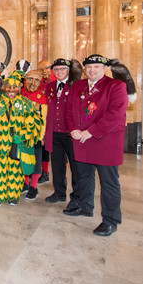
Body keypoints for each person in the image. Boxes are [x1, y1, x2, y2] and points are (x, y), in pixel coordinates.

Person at [65, 55, 128, 236]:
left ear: (105, 68)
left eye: (97, 67)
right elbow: (69, 111)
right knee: (83, 177)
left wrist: (90, 131)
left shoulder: (116, 86)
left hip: (104, 141)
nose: (92, 70)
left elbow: (115, 114)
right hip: (81, 140)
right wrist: (73, 130)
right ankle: (85, 206)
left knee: (108, 183)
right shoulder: (77, 86)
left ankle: (110, 220)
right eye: (89, 67)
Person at [0, 71, 43, 205]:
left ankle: (13, 195)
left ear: (20, 88)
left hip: (16, 146)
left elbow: (34, 123)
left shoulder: (26, 103)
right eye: (8, 87)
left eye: (15, 87)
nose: (11, 90)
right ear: (4, 87)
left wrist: (23, 136)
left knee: (15, 170)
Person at [44, 58, 79, 208]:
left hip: (70, 133)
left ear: (68, 71)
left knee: (75, 166)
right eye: (57, 70)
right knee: (57, 164)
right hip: (54, 131)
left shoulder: (75, 86)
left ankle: (77, 196)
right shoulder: (50, 86)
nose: (59, 72)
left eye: (63, 69)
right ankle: (59, 192)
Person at [20, 70, 48, 200]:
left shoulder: (42, 99)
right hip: (21, 137)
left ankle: (34, 187)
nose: (32, 83)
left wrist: (41, 137)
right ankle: (25, 184)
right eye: (30, 79)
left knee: (36, 163)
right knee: (24, 161)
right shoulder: (19, 96)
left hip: (35, 137)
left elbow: (44, 119)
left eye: (36, 80)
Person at [37, 59, 54, 183]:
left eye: (47, 68)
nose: (44, 71)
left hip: (55, 121)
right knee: (44, 149)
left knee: (58, 152)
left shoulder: (56, 82)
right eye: (41, 69)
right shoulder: (40, 83)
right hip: (42, 120)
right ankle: (45, 172)